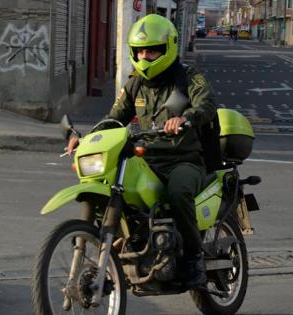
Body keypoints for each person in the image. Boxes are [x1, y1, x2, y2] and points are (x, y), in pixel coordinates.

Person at [67, 14, 217, 288]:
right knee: (114, 188)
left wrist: (185, 119)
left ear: (167, 48)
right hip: (146, 158)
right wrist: (86, 139)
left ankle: (194, 258)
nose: (146, 56)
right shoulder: (135, 83)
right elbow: (113, 119)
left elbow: (206, 106)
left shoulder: (188, 78)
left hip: (183, 160)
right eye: (141, 51)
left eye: (153, 50)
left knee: (177, 192)